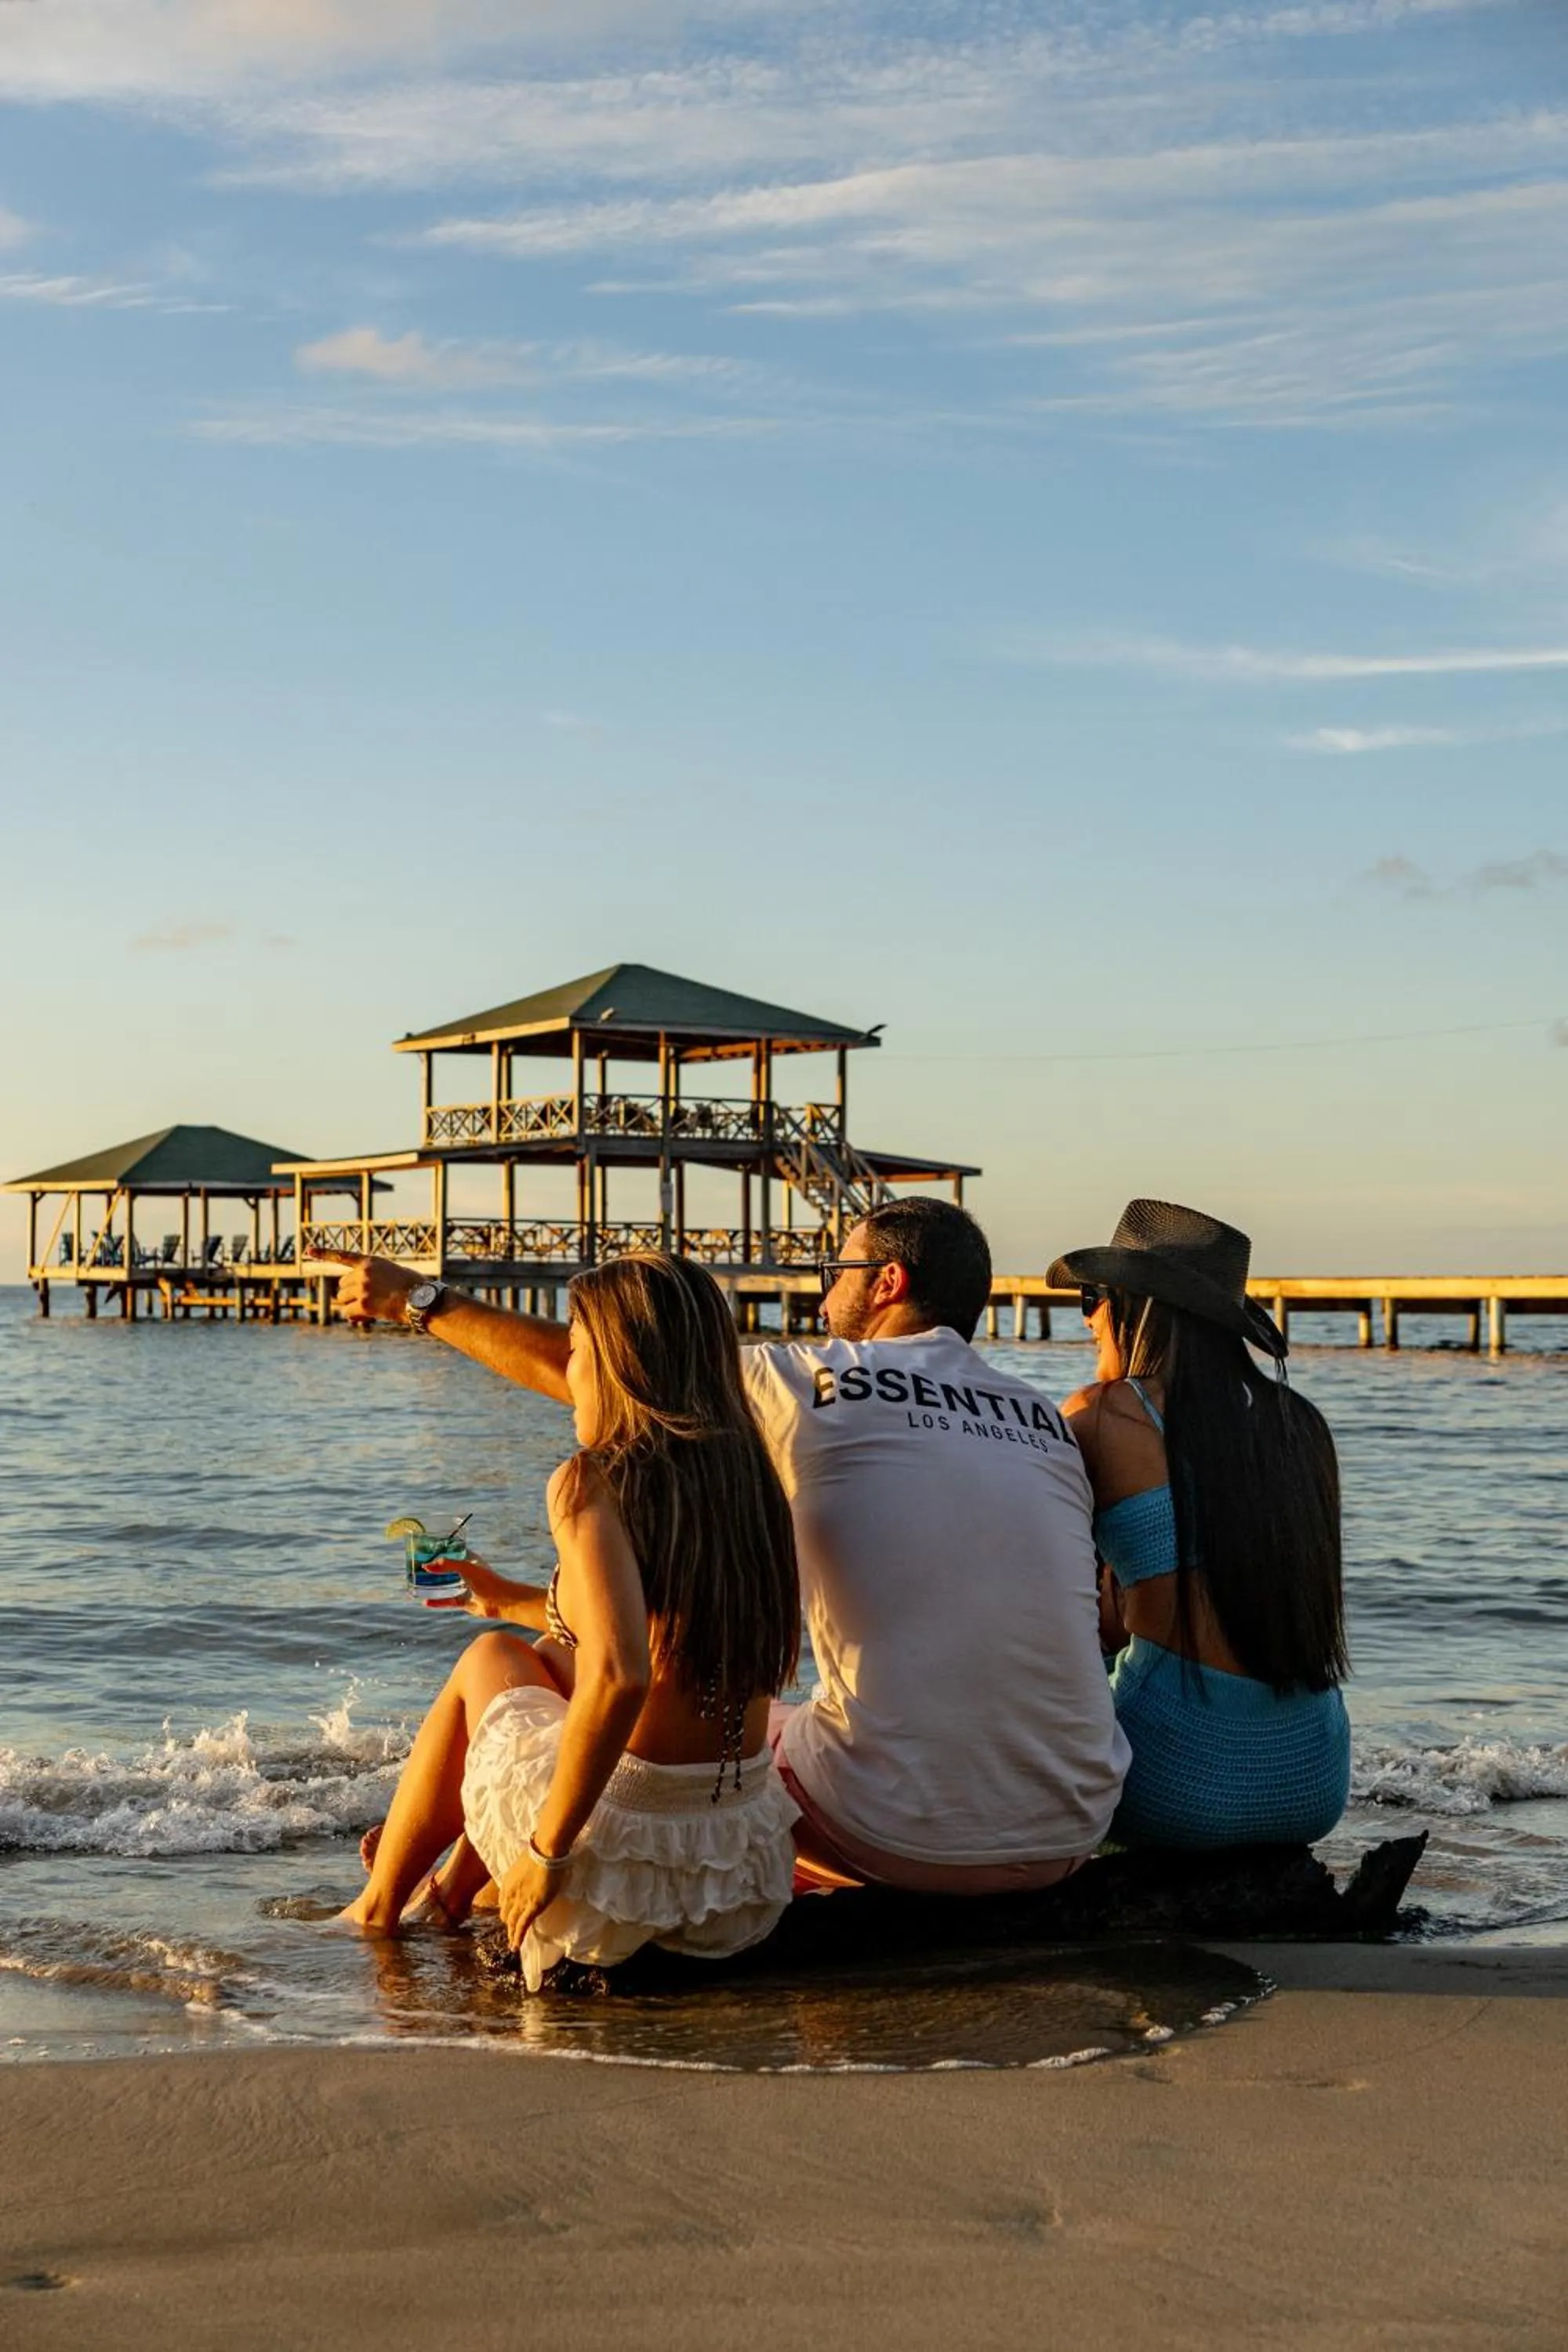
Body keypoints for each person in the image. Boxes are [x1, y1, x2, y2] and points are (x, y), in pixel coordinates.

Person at [321, 1196, 1128, 1898]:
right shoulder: (1042, 1419)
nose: (821, 1286)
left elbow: (607, 1372)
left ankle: (498, 1864)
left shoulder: (806, 1379)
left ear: (887, 1284)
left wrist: (415, 1301)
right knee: (741, 1699)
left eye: (835, 1266)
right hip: (1070, 1826)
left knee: (649, 1722)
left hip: (899, 1834)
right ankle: (470, 1859)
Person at [341, 1252, 801, 1991]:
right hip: (736, 1872)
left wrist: (544, 1856)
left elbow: (621, 1675)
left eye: (577, 1350)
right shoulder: (753, 1478)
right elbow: (655, 1635)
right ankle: (448, 1894)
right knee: (546, 1654)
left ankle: (376, 1908)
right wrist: (513, 1596)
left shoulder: (590, 1480)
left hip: (615, 1881)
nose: (567, 1368)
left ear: (616, 1364)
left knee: (489, 1660)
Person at [1050, 1199, 1351, 1849]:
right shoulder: (1301, 1424)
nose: (1090, 1320)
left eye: (1094, 1299)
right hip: (1313, 1782)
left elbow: (1047, 1600)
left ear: (1139, 1305)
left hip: (1168, 1786)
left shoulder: (1104, 1416)